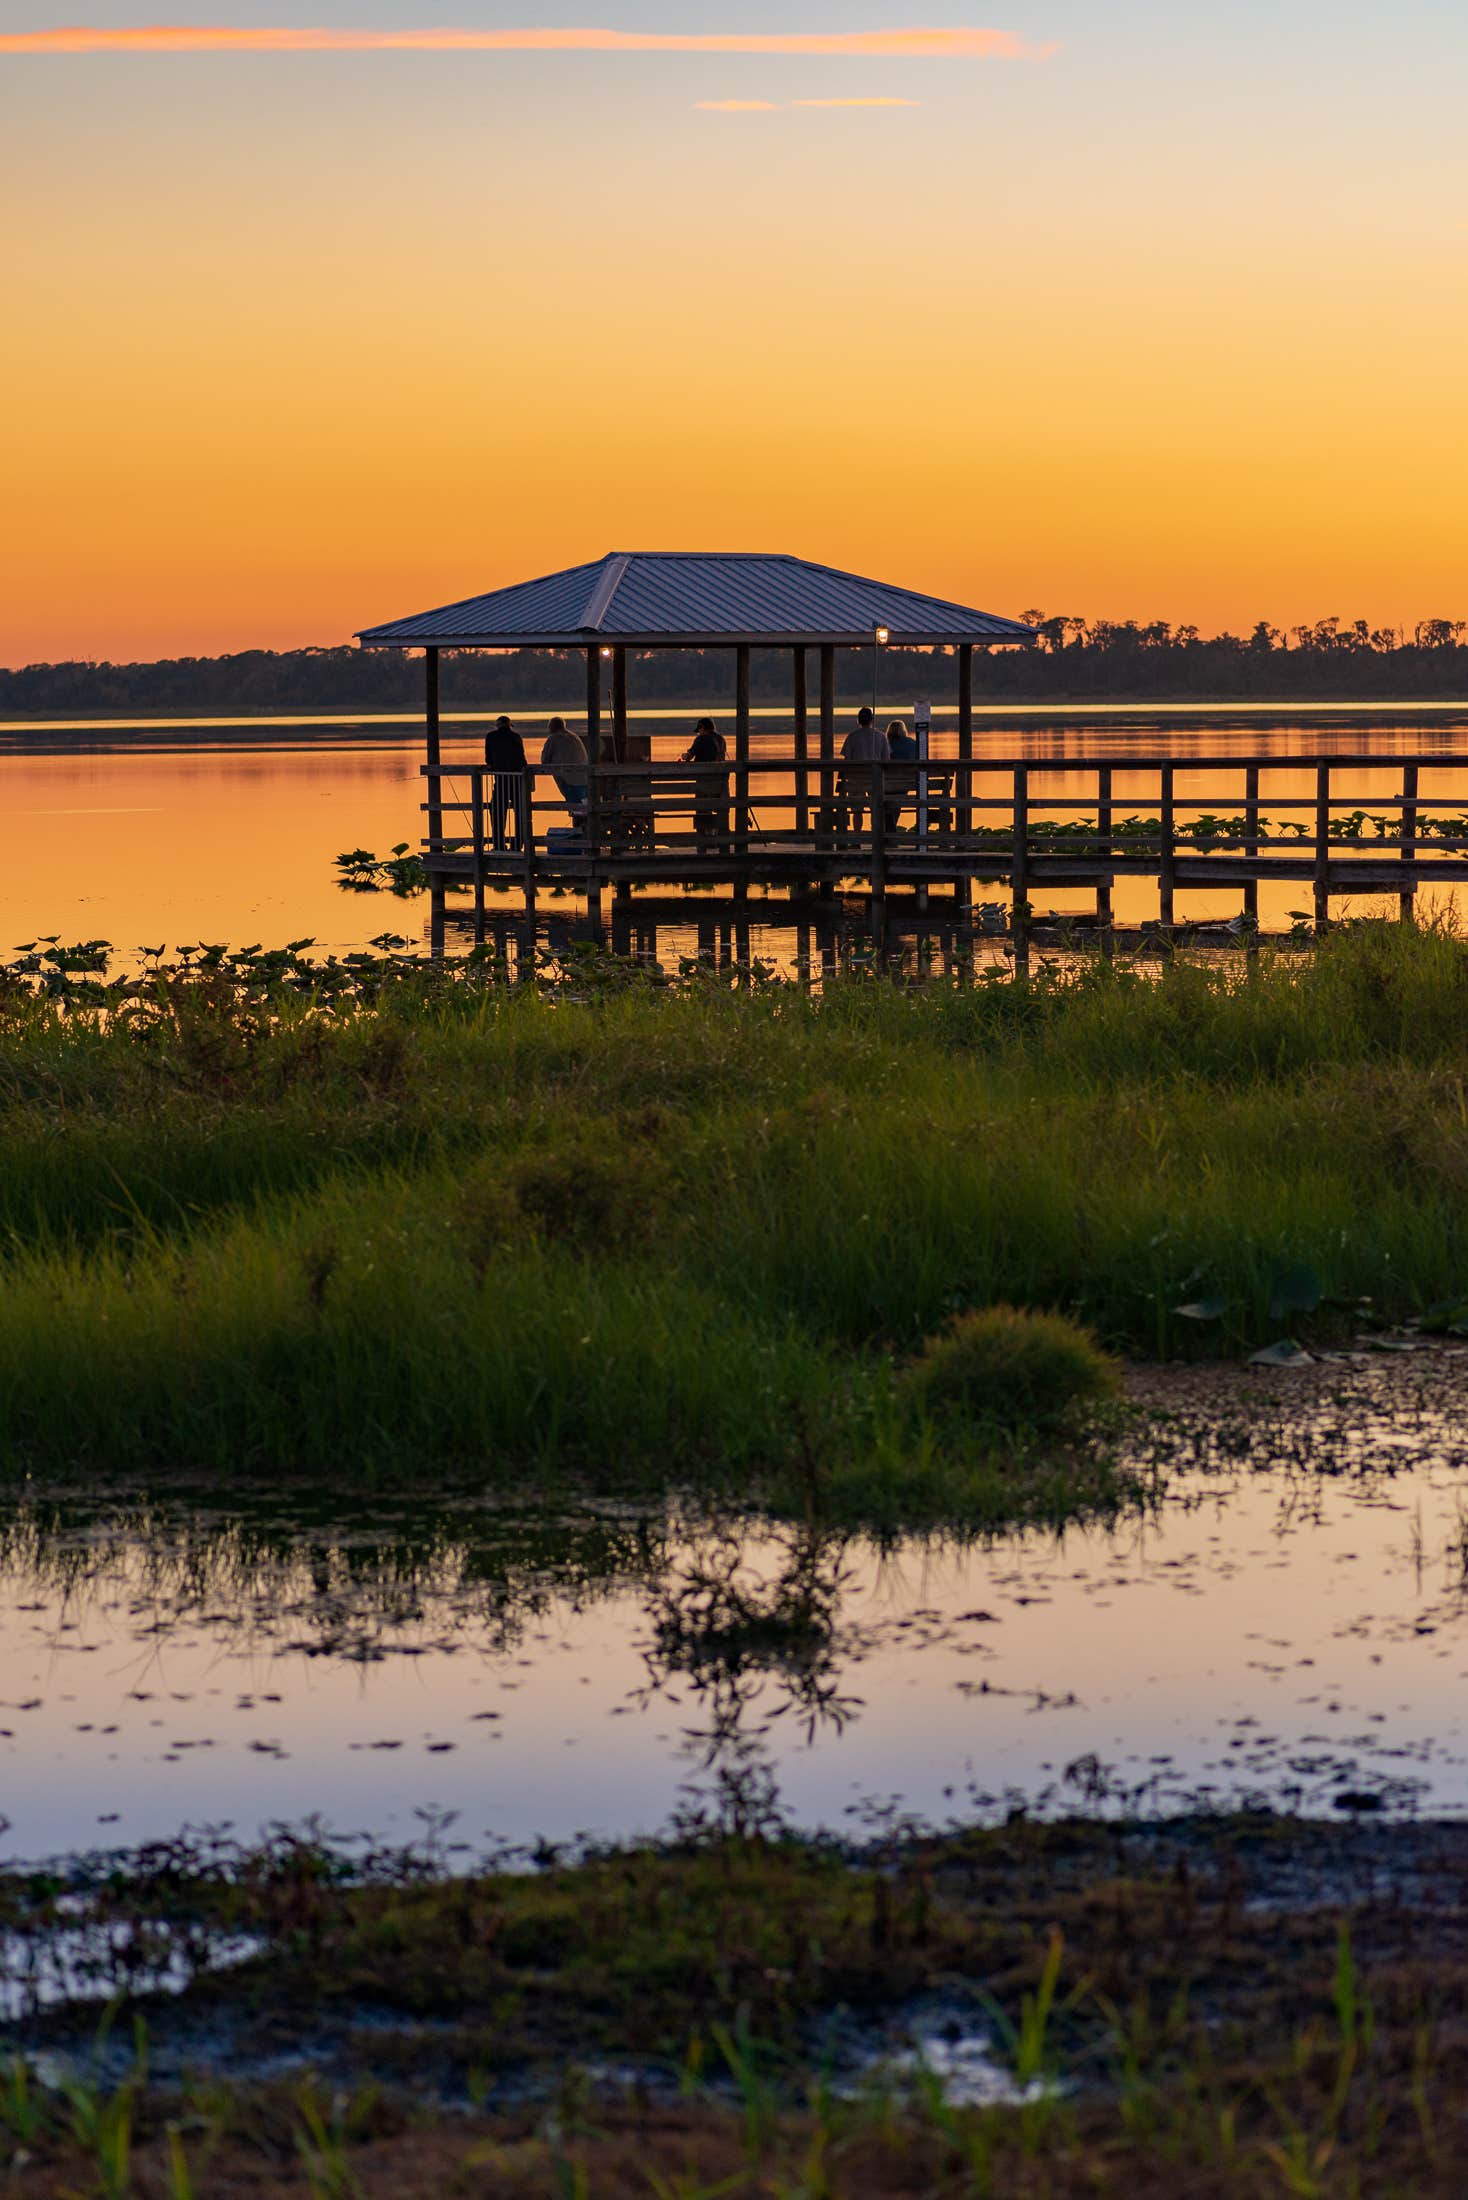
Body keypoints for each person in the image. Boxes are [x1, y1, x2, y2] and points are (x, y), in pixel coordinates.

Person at [839, 707, 890, 843]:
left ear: (858, 721)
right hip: (875, 778)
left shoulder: (852, 736)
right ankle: (877, 836)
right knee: (876, 807)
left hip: (856, 779)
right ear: (872, 720)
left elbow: (847, 759)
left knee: (857, 808)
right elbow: (887, 760)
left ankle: (857, 837)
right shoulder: (880, 736)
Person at [681, 717, 728, 849]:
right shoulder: (721, 739)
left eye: (699, 730)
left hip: (704, 781)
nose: (698, 733)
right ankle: (718, 841)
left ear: (702, 728)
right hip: (720, 782)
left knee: (702, 810)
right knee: (720, 811)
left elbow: (689, 756)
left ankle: (704, 843)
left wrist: (684, 756)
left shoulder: (701, 739)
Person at [484, 714, 528, 852]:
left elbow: (488, 759)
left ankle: (499, 844)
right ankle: (518, 843)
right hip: (516, 779)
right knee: (520, 812)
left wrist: (493, 766)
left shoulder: (491, 737)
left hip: (501, 779)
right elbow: (522, 758)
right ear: (509, 725)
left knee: (496, 811)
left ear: (497, 726)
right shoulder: (516, 737)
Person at [541, 716, 588, 817]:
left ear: (552, 727)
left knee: (576, 810)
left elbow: (544, 760)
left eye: (549, 727)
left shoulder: (553, 738)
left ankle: (579, 829)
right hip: (584, 778)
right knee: (582, 809)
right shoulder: (574, 737)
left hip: (568, 779)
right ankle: (583, 829)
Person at [884, 717, 919, 835]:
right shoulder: (913, 743)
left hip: (887, 782)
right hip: (906, 783)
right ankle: (891, 831)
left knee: (887, 801)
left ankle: (889, 831)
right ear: (903, 731)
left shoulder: (885, 743)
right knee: (895, 802)